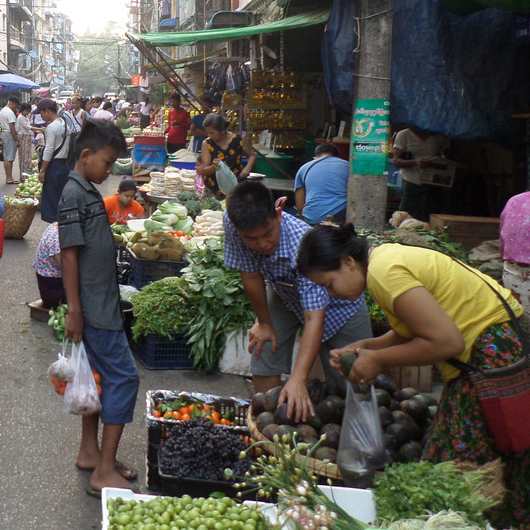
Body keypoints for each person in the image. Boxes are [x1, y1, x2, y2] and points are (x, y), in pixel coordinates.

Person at [296, 225, 530, 526]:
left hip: (492, 355)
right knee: (471, 465)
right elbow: (416, 327)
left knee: (458, 471)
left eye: (329, 284)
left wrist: (378, 360)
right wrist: (368, 347)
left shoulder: (384, 272)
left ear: (348, 262)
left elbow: (447, 342)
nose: (331, 294)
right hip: (494, 349)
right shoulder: (385, 260)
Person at [223, 180, 371, 422]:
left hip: (341, 305)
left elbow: (314, 319)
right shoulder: (233, 222)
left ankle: (354, 431)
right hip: (285, 291)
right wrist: (264, 323)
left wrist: (299, 378)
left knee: (353, 378)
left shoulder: (302, 247)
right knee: (264, 347)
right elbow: (249, 273)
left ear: (279, 213)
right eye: (251, 239)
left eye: (268, 233)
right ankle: (265, 422)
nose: (262, 244)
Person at [59, 119, 138, 496]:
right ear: (86, 155)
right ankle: (104, 470)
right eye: (107, 163)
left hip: (98, 302)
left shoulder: (85, 190)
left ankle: (90, 452)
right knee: (124, 377)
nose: (110, 171)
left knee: (96, 378)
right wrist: (75, 309)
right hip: (95, 309)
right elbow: (69, 255)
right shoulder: (74, 194)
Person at [391, 126, 450, 222]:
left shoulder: (439, 136)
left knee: (432, 218)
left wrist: (439, 163)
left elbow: (447, 157)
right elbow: (396, 161)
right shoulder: (404, 135)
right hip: (412, 183)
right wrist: (416, 162)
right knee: (406, 218)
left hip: (433, 184)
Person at [195, 113, 256, 198]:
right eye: (208, 133)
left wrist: (247, 168)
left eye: (212, 133)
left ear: (222, 130)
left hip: (235, 188)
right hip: (214, 190)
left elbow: (252, 155)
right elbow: (204, 170)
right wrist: (215, 167)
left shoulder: (238, 140)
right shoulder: (207, 144)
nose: (209, 136)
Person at [293, 143, 350, 225]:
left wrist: (305, 223)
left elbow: (300, 206)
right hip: (340, 215)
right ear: (337, 157)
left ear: (316, 157)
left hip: (313, 217)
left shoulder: (304, 168)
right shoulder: (348, 165)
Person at [37, 98, 71, 224]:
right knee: (61, 199)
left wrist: (43, 170)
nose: (41, 116)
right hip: (64, 166)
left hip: (54, 166)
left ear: (48, 111)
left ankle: (54, 229)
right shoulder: (65, 124)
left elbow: (49, 150)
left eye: (41, 113)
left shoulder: (51, 127)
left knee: (52, 200)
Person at [500, 191, 530, 311]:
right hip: (518, 276)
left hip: (513, 274)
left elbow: (502, 244)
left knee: (520, 316)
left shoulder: (514, 200)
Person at [32, 222, 64, 309]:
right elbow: (67, 270)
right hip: (54, 293)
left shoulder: (53, 227)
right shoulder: (56, 238)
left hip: (52, 286)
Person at [0, 95, 21, 184]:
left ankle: (9, 177)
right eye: (16, 106)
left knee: (7, 156)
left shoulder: (2, 111)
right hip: (9, 134)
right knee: (9, 157)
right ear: (13, 104)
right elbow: (12, 126)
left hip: (4, 133)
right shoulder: (10, 112)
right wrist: (16, 139)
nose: (16, 108)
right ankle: (9, 178)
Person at [16, 102, 34, 179]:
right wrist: (39, 129)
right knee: (24, 157)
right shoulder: (20, 117)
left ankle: (27, 175)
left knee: (27, 157)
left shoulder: (25, 117)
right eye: (27, 111)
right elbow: (28, 127)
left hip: (27, 136)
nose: (28, 112)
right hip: (24, 137)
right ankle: (23, 176)